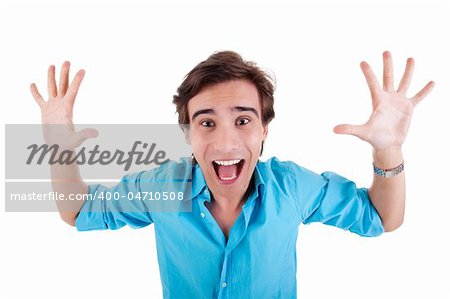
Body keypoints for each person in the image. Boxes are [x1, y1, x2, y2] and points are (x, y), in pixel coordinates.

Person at [30, 51, 434, 298]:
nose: (225, 143)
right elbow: (79, 211)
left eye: (243, 121)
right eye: (206, 123)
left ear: (264, 131)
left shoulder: (290, 187)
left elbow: (382, 218)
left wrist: (388, 148)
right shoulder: (162, 188)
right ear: (188, 135)